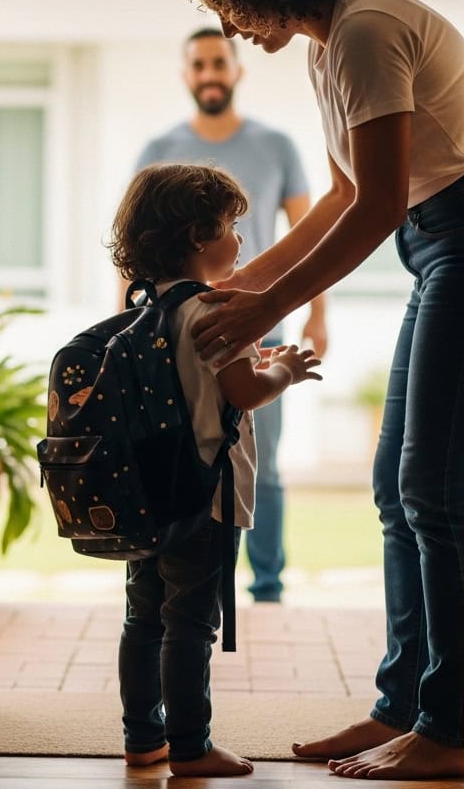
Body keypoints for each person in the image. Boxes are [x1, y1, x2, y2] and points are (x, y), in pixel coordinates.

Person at [172, 0, 464, 781]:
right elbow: (343, 193)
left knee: (430, 492)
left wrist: (269, 308)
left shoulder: (367, 30)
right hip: (431, 246)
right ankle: (400, 707)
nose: (227, 24)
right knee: (395, 491)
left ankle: (450, 726)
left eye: (226, 0)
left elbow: (376, 205)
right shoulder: (327, 43)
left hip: (463, 241)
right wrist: (233, 285)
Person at [108, 162, 322, 777]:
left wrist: (256, 361)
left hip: (150, 496)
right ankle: (192, 748)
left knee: (143, 618)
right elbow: (245, 392)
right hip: (206, 498)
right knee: (190, 624)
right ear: (199, 236)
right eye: (231, 226)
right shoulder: (217, 311)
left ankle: (143, 739)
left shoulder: (143, 313)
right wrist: (287, 370)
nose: (240, 239)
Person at [131, 27, 328, 603]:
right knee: (175, 455)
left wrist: (317, 315)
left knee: (257, 459)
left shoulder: (277, 146)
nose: (210, 73)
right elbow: (136, 244)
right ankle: (185, 578)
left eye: (219, 62)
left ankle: (265, 585)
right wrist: (130, 322)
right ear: (186, 74)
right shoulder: (158, 148)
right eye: (199, 64)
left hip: (257, 321)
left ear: (236, 69)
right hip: (171, 332)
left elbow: (309, 235)